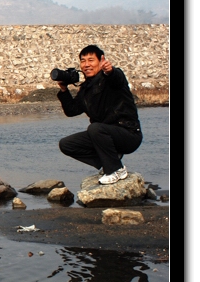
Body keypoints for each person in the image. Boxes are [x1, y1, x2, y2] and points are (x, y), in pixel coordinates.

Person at [57, 44, 143, 185]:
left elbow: (117, 77)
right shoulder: (85, 89)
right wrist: (64, 90)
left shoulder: (110, 79)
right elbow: (72, 111)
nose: (86, 64)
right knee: (67, 144)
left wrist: (110, 71)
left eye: (91, 60)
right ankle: (110, 161)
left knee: (95, 128)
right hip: (103, 135)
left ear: (101, 61)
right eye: (83, 61)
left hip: (128, 133)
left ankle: (116, 169)